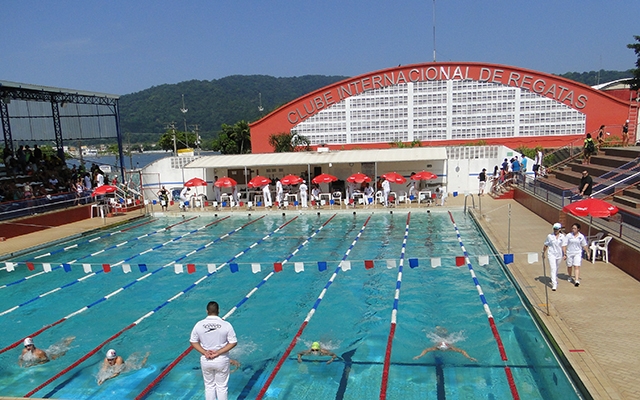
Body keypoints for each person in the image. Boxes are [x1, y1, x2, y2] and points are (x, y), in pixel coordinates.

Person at [190, 301, 237, 400]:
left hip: (206, 359)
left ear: (207, 311)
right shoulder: (226, 324)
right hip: (221, 359)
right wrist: (218, 352)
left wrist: (204, 352)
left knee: (209, 386)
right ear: (218, 311)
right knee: (222, 387)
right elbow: (233, 342)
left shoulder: (199, 324)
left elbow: (193, 341)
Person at [563, 223, 589, 287]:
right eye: (572, 228)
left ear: (578, 229)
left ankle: (576, 280)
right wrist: (564, 253)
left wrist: (587, 252)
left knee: (576, 266)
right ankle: (569, 276)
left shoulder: (581, 236)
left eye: (575, 228)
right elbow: (564, 244)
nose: (573, 229)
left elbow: (584, 245)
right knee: (569, 265)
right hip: (569, 252)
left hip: (577, 253)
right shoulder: (569, 235)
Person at [542, 222, 565, 291]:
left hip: (559, 254)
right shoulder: (550, 236)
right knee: (553, 268)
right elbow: (546, 245)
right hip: (551, 254)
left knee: (557, 267)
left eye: (556, 229)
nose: (555, 230)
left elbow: (563, 245)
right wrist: (543, 253)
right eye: (554, 229)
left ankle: (554, 277)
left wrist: (565, 254)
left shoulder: (562, 236)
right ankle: (554, 284)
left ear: (559, 229)